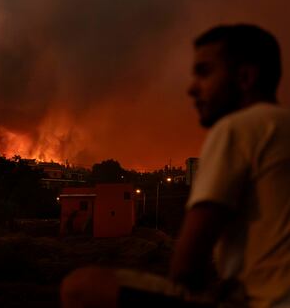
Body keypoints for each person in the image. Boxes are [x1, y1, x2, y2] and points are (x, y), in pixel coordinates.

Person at [60, 24, 290, 308]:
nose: (192, 88)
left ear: (245, 77)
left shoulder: (239, 128)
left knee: (82, 287)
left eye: (204, 73)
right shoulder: (280, 127)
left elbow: (187, 266)